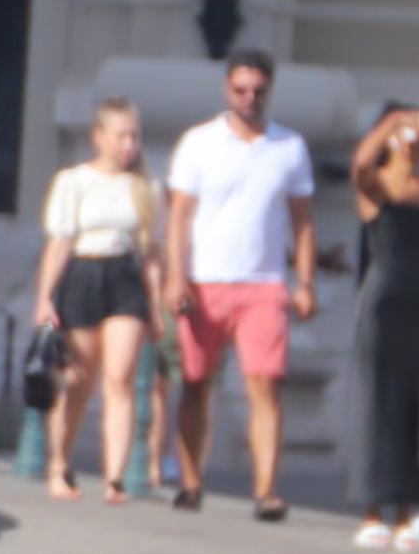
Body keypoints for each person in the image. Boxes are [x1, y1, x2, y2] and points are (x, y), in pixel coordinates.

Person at [163, 48, 318, 519]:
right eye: (240, 89)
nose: (249, 98)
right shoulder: (199, 142)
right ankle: (191, 482)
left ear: (270, 89)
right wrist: (174, 277)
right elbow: (177, 217)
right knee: (195, 382)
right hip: (205, 280)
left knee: (264, 386)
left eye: (258, 90)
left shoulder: (289, 146)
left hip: (264, 283)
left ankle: (266, 491)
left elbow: (303, 224)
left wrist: (304, 281)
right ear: (226, 89)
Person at [32, 97, 163, 503]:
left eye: (134, 137)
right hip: (83, 271)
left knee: (120, 378)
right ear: (99, 136)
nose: (128, 145)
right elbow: (59, 244)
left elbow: (151, 253)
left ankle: (115, 478)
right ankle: (60, 466)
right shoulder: (75, 180)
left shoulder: (145, 187)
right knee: (77, 380)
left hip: (124, 275)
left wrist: (156, 308)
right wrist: (44, 298)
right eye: (121, 135)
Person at [342, 104, 419, 549]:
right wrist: (391, 123)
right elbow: (359, 166)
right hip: (383, 303)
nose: (418, 143)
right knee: (377, 401)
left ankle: (409, 513)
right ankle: (373, 510)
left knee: (417, 406)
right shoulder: (377, 187)